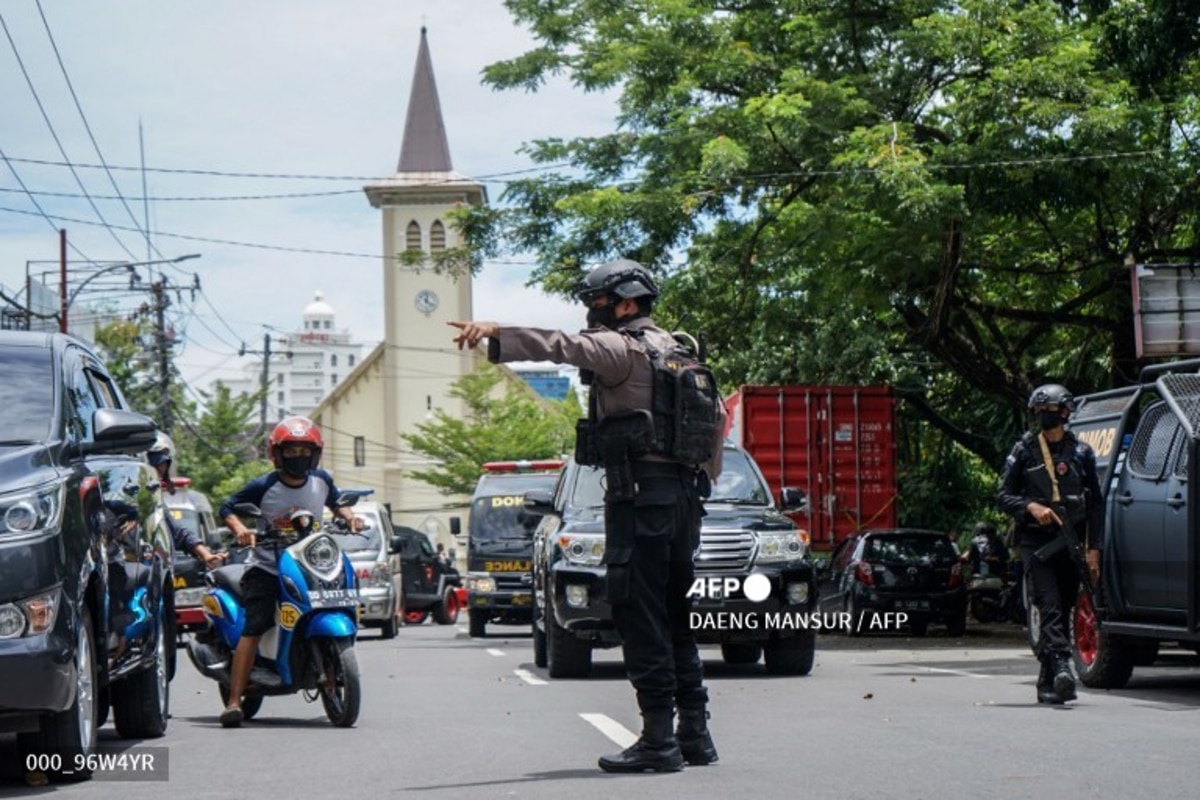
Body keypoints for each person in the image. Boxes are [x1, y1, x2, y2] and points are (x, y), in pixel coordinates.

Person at [450, 258, 726, 773]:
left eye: (597, 302)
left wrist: (497, 334)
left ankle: (659, 741)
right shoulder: (677, 349)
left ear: (625, 304)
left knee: (638, 613)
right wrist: (695, 485)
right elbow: (718, 424)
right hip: (685, 500)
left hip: (640, 500)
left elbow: (560, 345)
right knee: (674, 615)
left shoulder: (620, 348)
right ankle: (695, 734)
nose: (590, 312)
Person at [216, 416, 363, 728]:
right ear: (277, 454)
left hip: (308, 562)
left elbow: (337, 502)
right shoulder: (264, 486)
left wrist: (351, 518)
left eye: (305, 451)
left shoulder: (321, 480)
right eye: (291, 451)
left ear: (316, 453)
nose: (299, 457)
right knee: (255, 626)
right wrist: (242, 529)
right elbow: (227, 507)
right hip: (267, 566)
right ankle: (233, 701)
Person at [997, 383, 1103, 705]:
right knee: (1050, 606)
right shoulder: (1024, 451)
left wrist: (1094, 549)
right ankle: (1062, 667)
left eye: (1050, 411)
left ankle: (1046, 684)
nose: (1045, 416)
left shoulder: (1082, 454)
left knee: (1066, 606)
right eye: (1040, 411)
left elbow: (1096, 504)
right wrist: (1031, 507)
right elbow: (1003, 496)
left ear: (1065, 413)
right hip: (1036, 544)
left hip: (1070, 543)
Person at [148, 432, 224, 570]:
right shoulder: (120, 496)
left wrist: (206, 554)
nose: (158, 473)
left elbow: (178, 532)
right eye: (155, 465)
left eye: (162, 466)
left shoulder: (154, 501)